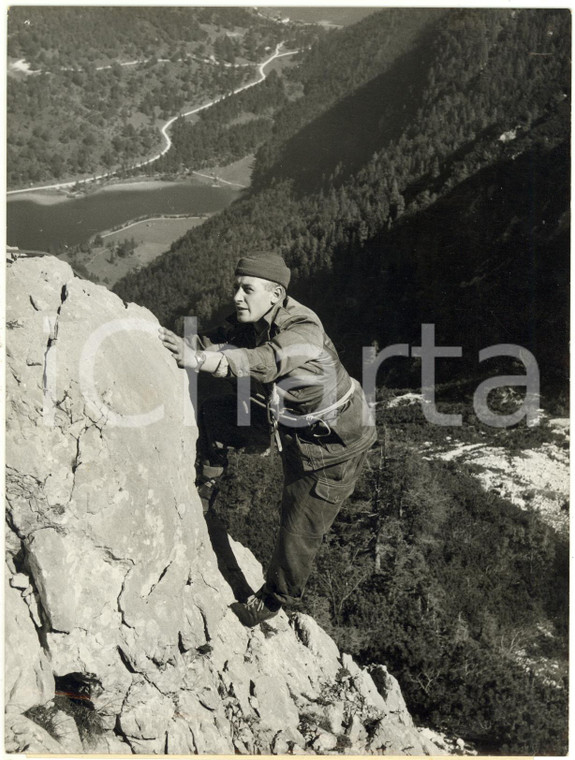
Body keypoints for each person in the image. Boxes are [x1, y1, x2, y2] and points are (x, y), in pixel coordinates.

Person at [159, 252, 377, 626]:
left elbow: (262, 361)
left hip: (332, 446)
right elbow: (217, 338)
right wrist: (181, 346)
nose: (236, 296)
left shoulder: (302, 331)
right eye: (236, 287)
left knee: (298, 528)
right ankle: (205, 491)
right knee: (216, 416)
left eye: (247, 289)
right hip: (287, 421)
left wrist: (197, 361)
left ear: (275, 294)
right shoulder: (259, 316)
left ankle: (274, 599)